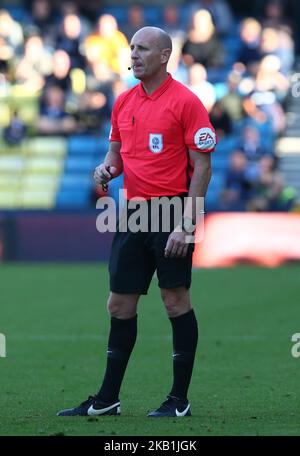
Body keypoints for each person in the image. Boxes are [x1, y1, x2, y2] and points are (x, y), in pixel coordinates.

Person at [57, 26, 216, 418]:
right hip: (133, 212)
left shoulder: (187, 102)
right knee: (118, 304)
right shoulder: (123, 102)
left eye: (143, 48)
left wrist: (187, 223)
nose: (134, 54)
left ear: (164, 56)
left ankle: (179, 400)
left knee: (174, 300)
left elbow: (202, 167)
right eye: (131, 47)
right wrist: (105, 170)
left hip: (171, 211)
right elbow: (117, 156)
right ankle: (107, 399)